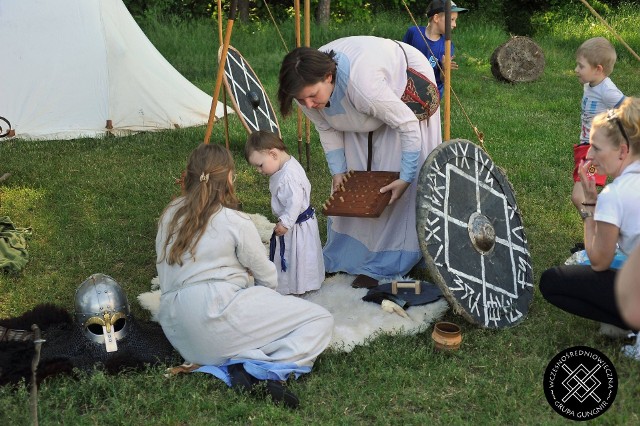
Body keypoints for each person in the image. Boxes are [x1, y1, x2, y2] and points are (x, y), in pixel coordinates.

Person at [155, 143, 334, 408]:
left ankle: (238, 358)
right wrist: (261, 297)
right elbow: (268, 278)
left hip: (179, 332)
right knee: (320, 318)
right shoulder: (234, 221)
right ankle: (260, 367)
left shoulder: (168, 215)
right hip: (218, 313)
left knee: (255, 316)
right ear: (228, 178)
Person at [278, 35, 443, 289]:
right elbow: (327, 128)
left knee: (391, 174)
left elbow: (407, 124)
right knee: (355, 185)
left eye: (311, 96)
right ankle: (350, 253)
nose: (308, 105)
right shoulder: (306, 90)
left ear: (329, 77)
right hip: (362, 96)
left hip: (405, 79)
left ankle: (391, 257)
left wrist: (406, 177)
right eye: (301, 100)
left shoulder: (364, 85)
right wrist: (338, 172)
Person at [539, 97, 640, 356]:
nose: (591, 155)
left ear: (622, 151)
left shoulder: (615, 194)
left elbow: (599, 262)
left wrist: (590, 207)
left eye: (596, 148)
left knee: (553, 281)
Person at [244, 130, 325, 295]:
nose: (259, 171)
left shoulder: (289, 177)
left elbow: (294, 203)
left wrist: (286, 223)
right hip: (297, 222)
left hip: (296, 224)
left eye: (260, 165)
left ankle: (299, 285)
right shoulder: (286, 165)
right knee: (298, 255)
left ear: (273, 154)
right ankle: (296, 283)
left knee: (297, 255)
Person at [571, 37, 625, 217]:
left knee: (581, 196)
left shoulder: (607, 91)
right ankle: (598, 231)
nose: (576, 70)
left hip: (596, 155)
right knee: (582, 195)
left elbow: (628, 109)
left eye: (581, 66)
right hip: (585, 149)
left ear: (598, 69)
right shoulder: (590, 84)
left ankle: (604, 227)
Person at [402, 0, 469, 99]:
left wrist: (445, 69)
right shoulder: (414, 33)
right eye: (452, 19)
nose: (455, 25)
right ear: (436, 18)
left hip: (430, 95)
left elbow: (443, 80)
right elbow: (400, 58)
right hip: (407, 88)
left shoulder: (447, 45)